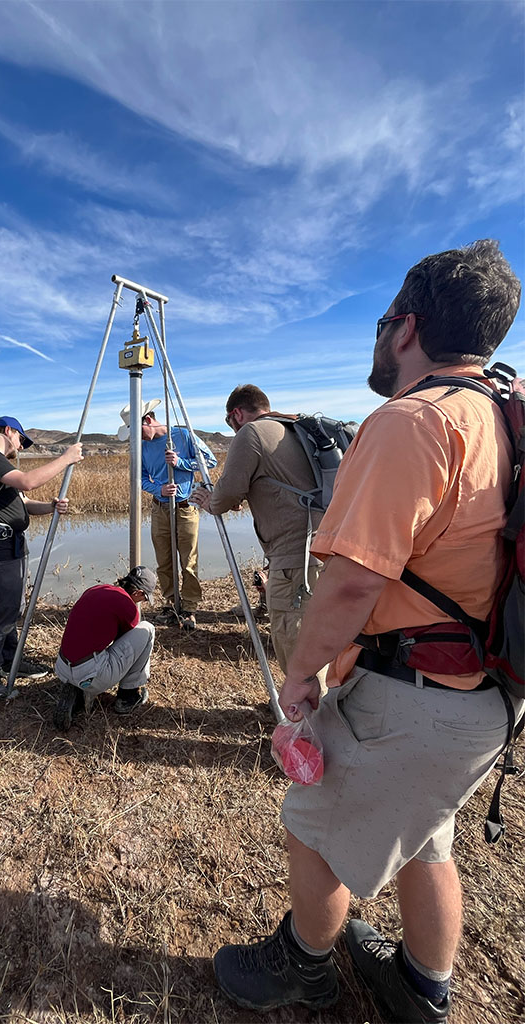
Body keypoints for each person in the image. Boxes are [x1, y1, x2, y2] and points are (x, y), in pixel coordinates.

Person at [212, 240, 523, 1024]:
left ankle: (302, 968)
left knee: (311, 829)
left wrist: (301, 672)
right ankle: (423, 989)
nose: (380, 336)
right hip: (486, 693)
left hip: (413, 697)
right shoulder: (502, 414)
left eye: (383, 320)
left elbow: (353, 580)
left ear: (406, 326)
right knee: (428, 838)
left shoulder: (413, 421)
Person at [190, 384, 323, 674]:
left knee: (296, 646)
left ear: (237, 413)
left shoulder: (251, 433)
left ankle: (304, 715)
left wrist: (210, 502)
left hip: (295, 561)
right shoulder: (294, 427)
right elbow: (280, 489)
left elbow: (225, 495)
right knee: (321, 638)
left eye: (230, 423)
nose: (233, 429)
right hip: (328, 549)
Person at [0, 416, 82, 699]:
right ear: (8, 432)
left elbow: (24, 503)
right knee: (3, 613)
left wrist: (51, 506)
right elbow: (28, 483)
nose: (20, 447)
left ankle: (10, 660)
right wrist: (66, 458)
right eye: (20, 440)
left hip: (11, 549)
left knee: (11, 608)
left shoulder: (0, 465)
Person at [118, 400, 216, 630]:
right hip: (159, 508)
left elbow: (210, 461)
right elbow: (140, 478)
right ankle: (171, 604)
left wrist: (180, 462)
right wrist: (158, 489)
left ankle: (189, 608)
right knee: (164, 561)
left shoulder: (183, 436)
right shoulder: (142, 447)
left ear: (149, 420)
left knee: (188, 561)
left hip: (185, 507)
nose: (137, 438)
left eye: (137, 430)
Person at [53, 565, 157, 729]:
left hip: (62, 666)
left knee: (91, 651)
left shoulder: (96, 589)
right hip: (90, 672)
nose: (142, 602)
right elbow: (126, 645)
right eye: (144, 598)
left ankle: (78, 690)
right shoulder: (128, 607)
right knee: (147, 629)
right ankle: (128, 697)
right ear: (138, 593)